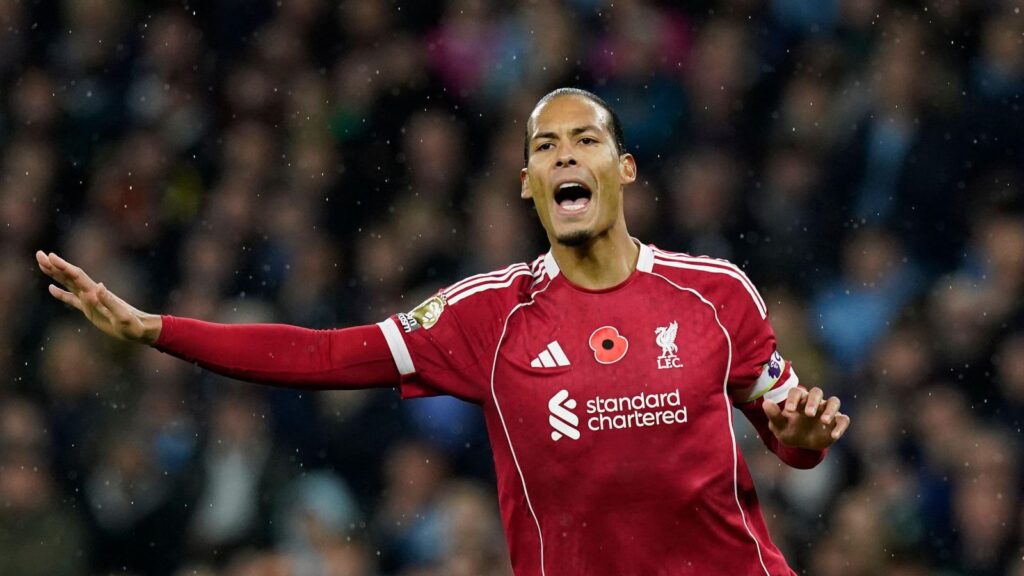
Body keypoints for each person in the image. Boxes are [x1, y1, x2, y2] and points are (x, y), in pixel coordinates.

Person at [37, 87, 850, 575]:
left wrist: (801, 440)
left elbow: (790, 435)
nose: (567, 156)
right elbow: (326, 355)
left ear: (624, 169)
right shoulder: (487, 315)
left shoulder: (714, 293)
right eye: (547, 146)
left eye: (587, 140)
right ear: (528, 183)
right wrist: (156, 329)